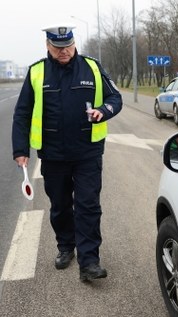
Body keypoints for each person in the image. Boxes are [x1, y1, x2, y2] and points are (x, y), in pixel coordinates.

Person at [12, 24, 123, 281]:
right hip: (53, 154)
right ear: (48, 47)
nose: (64, 52)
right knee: (60, 206)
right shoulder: (37, 72)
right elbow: (22, 113)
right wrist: (21, 149)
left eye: (68, 46)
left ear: (75, 44)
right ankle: (65, 246)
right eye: (58, 48)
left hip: (87, 151)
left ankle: (89, 261)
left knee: (88, 206)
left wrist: (103, 111)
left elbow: (115, 98)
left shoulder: (92, 67)